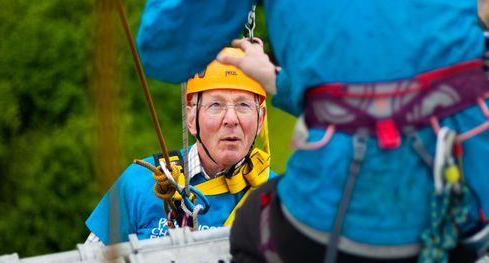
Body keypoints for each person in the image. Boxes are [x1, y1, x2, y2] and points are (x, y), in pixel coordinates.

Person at [135, 1, 489, 262]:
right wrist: (275, 80)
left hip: (340, 217)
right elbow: (390, 86)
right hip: (470, 193)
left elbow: (164, 50)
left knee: (249, 225)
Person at [85, 47, 278, 245]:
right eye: (216, 105)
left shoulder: (280, 198)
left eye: (243, 105)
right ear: (191, 119)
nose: (231, 119)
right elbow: (90, 257)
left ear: (260, 119)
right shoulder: (139, 182)